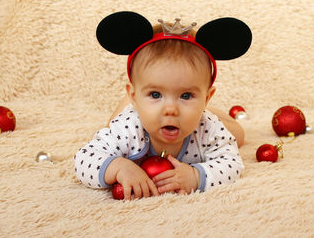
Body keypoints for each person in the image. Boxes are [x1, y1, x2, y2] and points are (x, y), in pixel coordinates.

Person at [74, 12, 251, 200]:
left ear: (207, 97)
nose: (171, 110)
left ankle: (190, 105)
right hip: (136, 111)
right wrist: (118, 166)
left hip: (199, 115)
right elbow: (84, 159)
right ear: (134, 95)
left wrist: (196, 176)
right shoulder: (128, 127)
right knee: (113, 121)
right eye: (155, 94)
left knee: (238, 135)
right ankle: (138, 101)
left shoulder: (208, 128)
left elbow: (232, 164)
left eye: (186, 95)